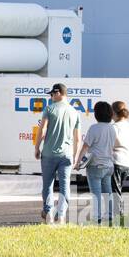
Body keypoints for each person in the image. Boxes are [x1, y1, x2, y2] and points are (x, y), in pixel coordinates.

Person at [34, 83, 81, 224]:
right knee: (65, 186)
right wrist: (75, 157)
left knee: (48, 185)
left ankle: (48, 213)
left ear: (58, 93)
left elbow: (42, 131)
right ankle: (61, 216)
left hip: (48, 154)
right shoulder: (75, 112)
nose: (51, 97)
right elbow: (78, 139)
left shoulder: (49, 109)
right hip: (66, 156)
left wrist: (37, 148)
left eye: (52, 94)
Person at [75, 100, 117, 225]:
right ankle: (110, 215)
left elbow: (85, 147)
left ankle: (97, 216)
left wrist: (77, 162)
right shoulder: (112, 129)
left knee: (96, 193)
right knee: (107, 192)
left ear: (96, 114)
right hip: (109, 165)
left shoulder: (94, 128)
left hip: (95, 165)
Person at [110, 101, 129, 223]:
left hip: (117, 160)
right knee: (119, 189)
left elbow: (110, 144)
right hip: (127, 161)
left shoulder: (115, 127)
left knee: (115, 190)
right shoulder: (128, 125)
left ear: (113, 113)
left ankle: (117, 215)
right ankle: (119, 213)